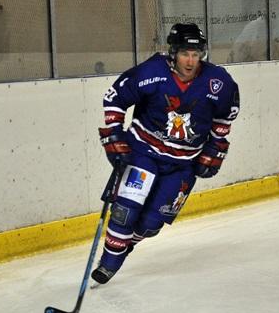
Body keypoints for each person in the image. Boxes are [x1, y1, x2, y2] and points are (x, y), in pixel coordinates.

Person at [92, 23, 240, 284]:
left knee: (151, 223)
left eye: (195, 54)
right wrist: (114, 134)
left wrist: (215, 147)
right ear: (173, 53)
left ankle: (124, 245)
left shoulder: (218, 82)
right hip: (143, 152)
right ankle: (108, 264)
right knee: (125, 210)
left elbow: (224, 117)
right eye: (184, 54)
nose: (190, 61)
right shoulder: (153, 71)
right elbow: (115, 98)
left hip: (183, 164)